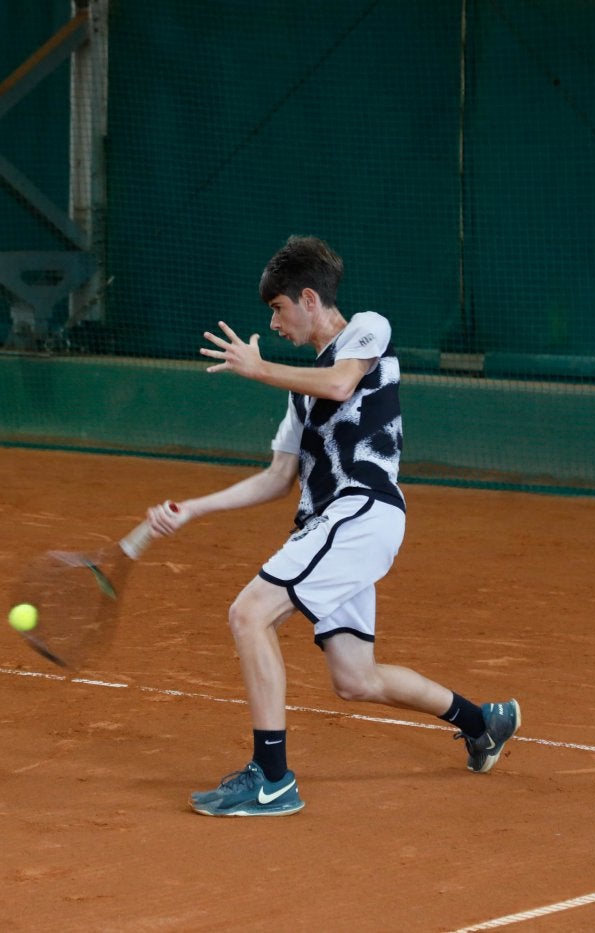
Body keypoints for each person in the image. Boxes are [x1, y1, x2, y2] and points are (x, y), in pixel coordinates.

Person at [145, 235, 520, 817]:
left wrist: (260, 369)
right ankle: (483, 722)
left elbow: (343, 383)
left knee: (249, 613)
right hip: (332, 526)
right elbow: (276, 479)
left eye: (278, 309)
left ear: (310, 299)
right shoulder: (299, 397)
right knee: (356, 678)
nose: (273, 324)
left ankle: (271, 779)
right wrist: (193, 507)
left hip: (362, 510)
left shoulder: (365, 330)